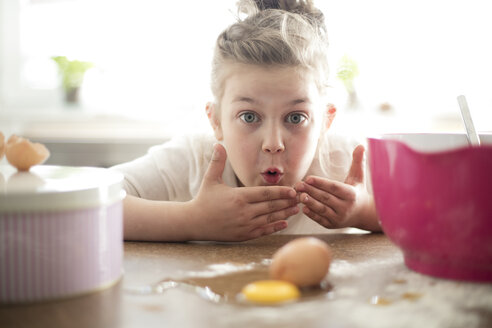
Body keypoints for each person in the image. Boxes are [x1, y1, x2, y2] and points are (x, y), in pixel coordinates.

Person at [111, 0, 381, 242]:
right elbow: (87, 201)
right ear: (215, 120)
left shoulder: (345, 165)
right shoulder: (194, 159)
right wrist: (193, 220)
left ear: (325, 122)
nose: (273, 144)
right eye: (249, 117)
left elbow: (422, 214)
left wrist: (364, 212)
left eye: (296, 118)